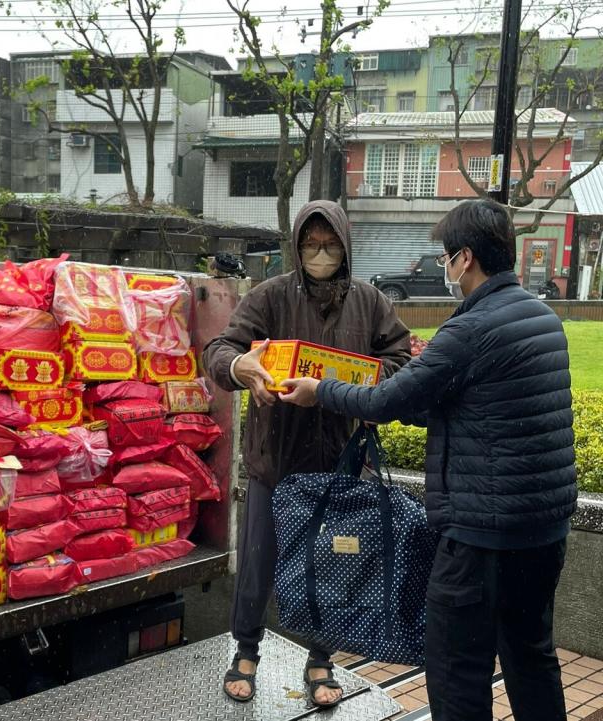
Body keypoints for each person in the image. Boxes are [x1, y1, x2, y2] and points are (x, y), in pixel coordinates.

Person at [280, 198, 577, 721]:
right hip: (542, 531)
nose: (445, 266)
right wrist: (426, 383)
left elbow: (387, 400)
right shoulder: (541, 317)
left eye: (445, 256)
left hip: (481, 539)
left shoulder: (470, 329)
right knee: (531, 657)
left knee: (456, 669)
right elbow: (469, 409)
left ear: (465, 258)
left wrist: (319, 390)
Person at [202, 199, 411, 707]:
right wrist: (243, 370)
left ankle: (321, 659)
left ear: (345, 245)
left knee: (331, 563)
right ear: (296, 247)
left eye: (330, 243)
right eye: (311, 244)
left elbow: (401, 359)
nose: (321, 253)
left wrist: (361, 382)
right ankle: (245, 651)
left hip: (340, 461)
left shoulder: (370, 301)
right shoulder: (270, 297)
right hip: (275, 455)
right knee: (258, 558)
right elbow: (219, 351)